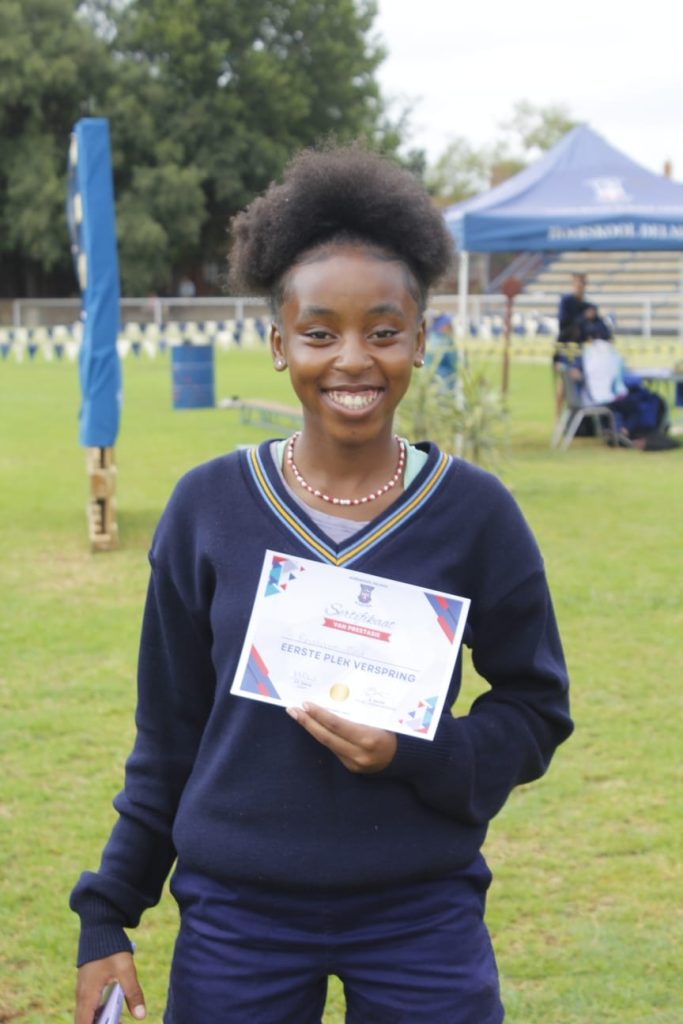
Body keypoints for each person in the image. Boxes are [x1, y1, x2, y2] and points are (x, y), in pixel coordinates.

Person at [71, 144, 573, 1024]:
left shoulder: (475, 513)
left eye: (382, 331)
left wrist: (414, 751)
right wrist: (108, 911)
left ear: (419, 339)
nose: (352, 359)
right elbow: (169, 735)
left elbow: (535, 707)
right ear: (278, 344)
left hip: (420, 909)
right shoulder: (208, 508)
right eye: (318, 333)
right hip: (238, 914)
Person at [572, 337, 678, 449]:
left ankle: (629, 432)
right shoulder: (608, 356)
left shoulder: (589, 356)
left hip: (605, 397)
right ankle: (629, 432)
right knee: (646, 401)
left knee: (647, 400)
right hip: (605, 399)